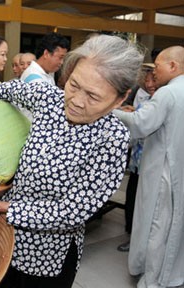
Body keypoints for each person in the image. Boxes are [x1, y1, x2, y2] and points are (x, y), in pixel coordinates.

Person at [0, 34, 144, 288]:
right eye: (73, 85)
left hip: (47, 256)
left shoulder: (112, 139)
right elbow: (6, 89)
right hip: (2, 239)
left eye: (93, 97)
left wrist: (0, 209)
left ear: (120, 98)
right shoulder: (51, 100)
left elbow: (72, 211)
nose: (77, 102)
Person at [113, 46, 184, 288]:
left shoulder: (168, 93)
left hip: (164, 171)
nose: (154, 71)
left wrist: (112, 112)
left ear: (173, 66)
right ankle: (173, 273)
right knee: (175, 224)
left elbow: (141, 124)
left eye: (159, 66)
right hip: (179, 169)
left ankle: (153, 279)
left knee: (157, 225)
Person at [116, 64, 157, 252]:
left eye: (153, 80)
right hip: (137, 161)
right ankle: (131, 234)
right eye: (146, 80)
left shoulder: (162, 100)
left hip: (151, 163)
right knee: (133, 199)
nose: (149, 84)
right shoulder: (145, 97)